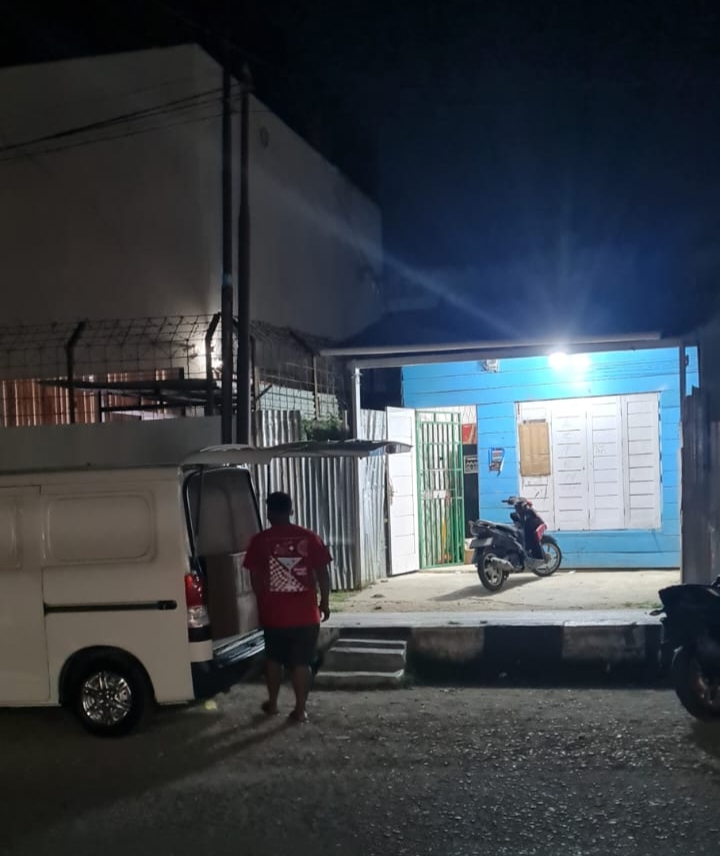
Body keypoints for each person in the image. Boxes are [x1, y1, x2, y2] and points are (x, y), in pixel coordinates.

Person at [244, 491, 332, 724]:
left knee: (274, 659)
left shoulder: (259, 541)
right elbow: (323, 572)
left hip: (274, 615)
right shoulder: (309, 537)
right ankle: (300, 710)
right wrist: (324, 602)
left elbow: (255, 577)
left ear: (269, 513)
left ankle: (273, 705)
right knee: (301, 662)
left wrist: (262, 602)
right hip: (306, 615)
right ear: (291, 510)